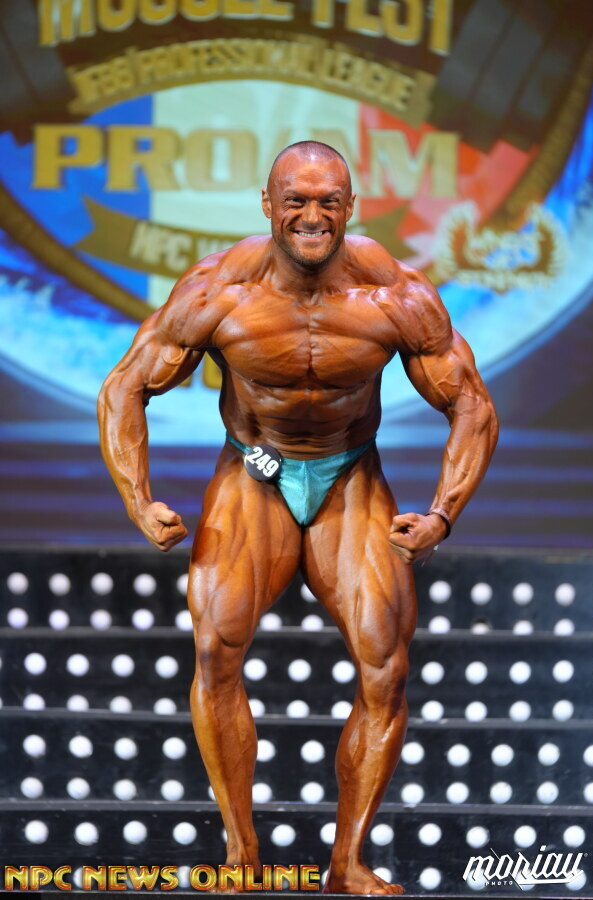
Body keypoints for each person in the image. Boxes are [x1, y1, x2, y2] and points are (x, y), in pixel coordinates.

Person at [98, 141, 498, 895]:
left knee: (385, 666)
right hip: (256, 472)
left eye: (328, 202)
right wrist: (138, 498)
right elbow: (126, 386)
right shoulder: (220, 290)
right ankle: (241, 855)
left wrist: (443, 515)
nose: (312, 216)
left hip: (350, 476)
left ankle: (347, 863)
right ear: (268, 204)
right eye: (296, 201)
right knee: (215, 649)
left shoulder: (395, 294)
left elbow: (471, 404)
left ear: (350, 208)